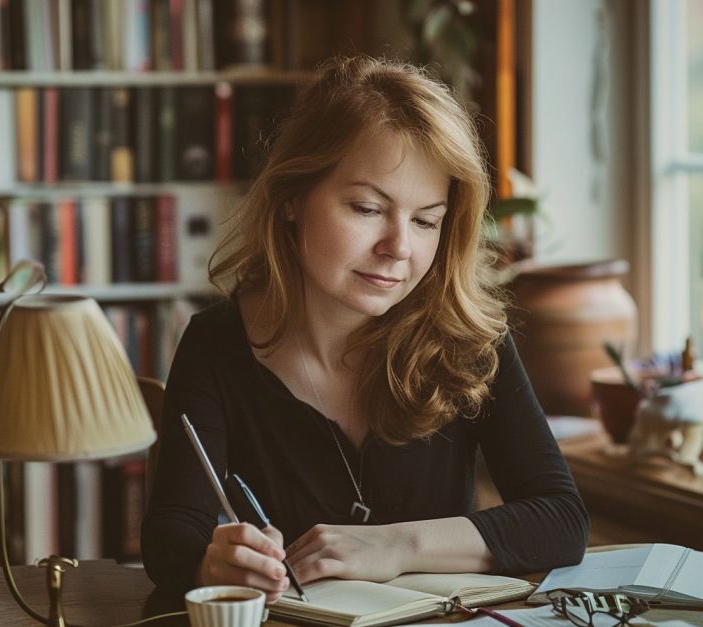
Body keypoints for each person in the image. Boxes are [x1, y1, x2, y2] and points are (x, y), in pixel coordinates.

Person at [141, 56, 589, 600]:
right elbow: (171, 535)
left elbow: (561, 520)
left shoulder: (469, 341)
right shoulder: (216, 343)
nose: (399, 248)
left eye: (426, 220)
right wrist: (215, 562)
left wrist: (397, 546)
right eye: (368, 208)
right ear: (291, 199)